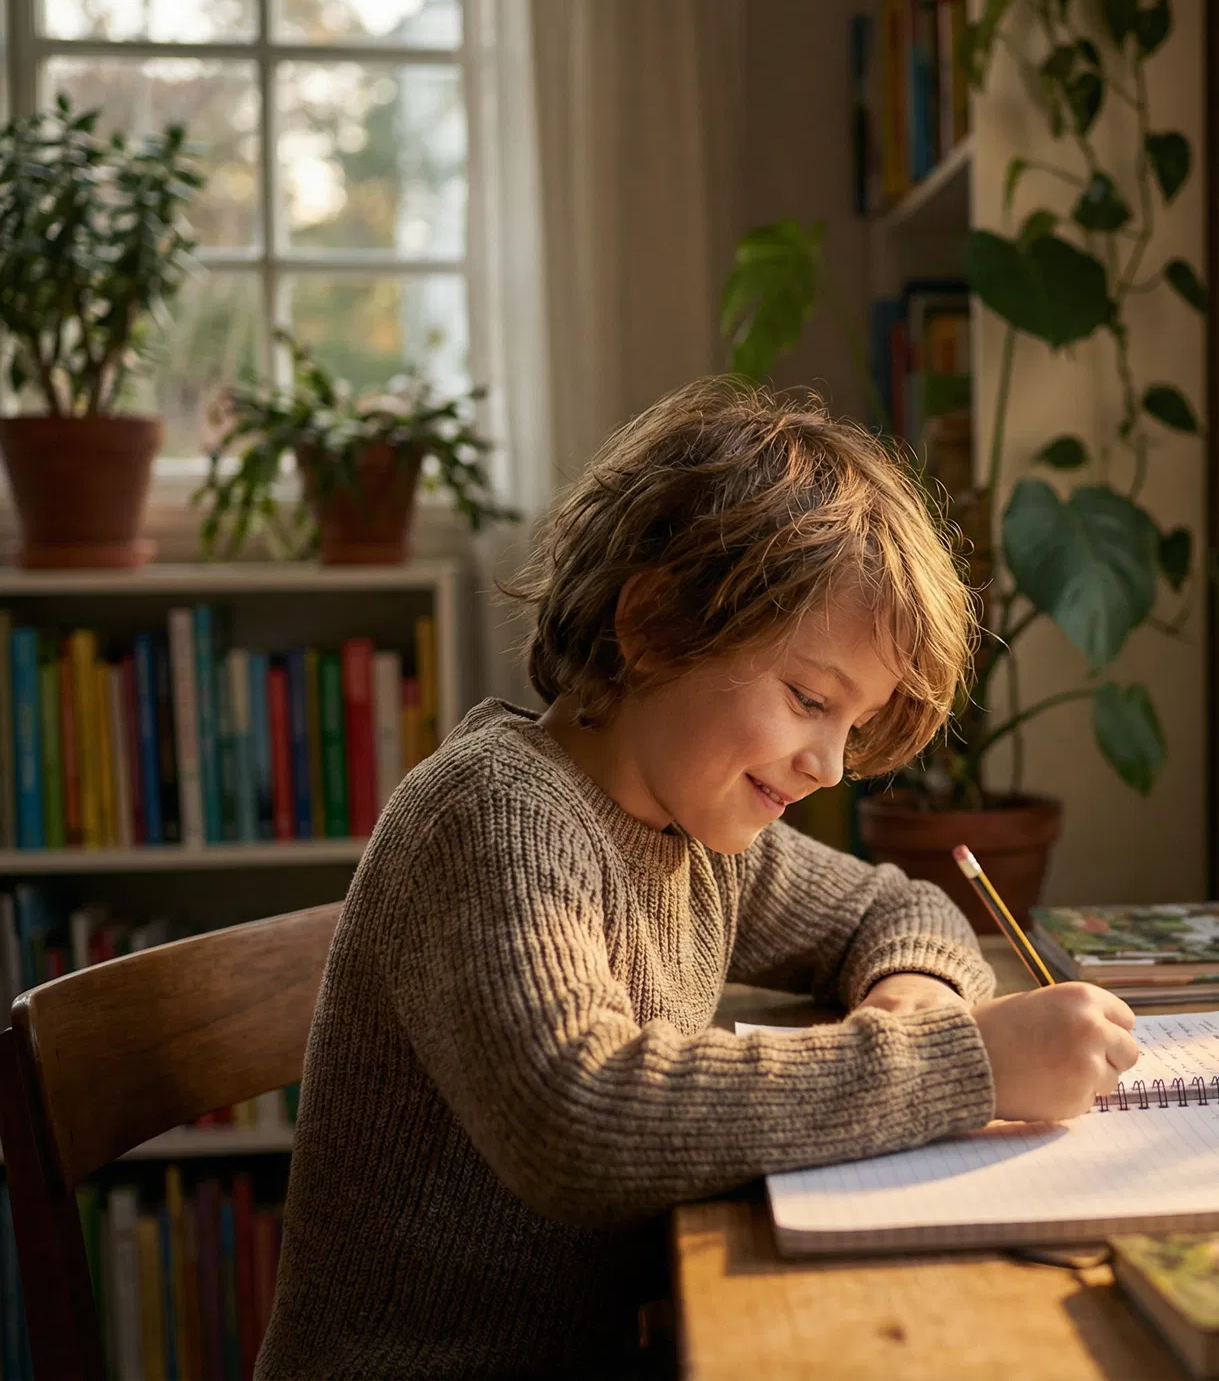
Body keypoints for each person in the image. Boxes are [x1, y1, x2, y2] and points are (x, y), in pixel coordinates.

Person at [257, 379, 1140, 1379]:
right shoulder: (494, 815)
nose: (831, 765)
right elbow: (578, 1118)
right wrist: (960, 1063)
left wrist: (916, 1006)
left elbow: (897, 908)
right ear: (658, 623)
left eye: (852, 726)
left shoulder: (692, 826)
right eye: (810, 698)